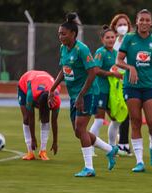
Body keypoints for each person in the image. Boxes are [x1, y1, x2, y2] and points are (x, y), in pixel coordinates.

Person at [48, 12, 118, 177]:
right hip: (75, 95)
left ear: (73, 34)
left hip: (87, 93)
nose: (60, 36)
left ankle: (89, 168)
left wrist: (81, 95)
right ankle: (110, 149)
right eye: (59, 33)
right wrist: (52, 88)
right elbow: (64, 70)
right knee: (79, 132)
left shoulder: (82, 49)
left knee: (81, 128)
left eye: (63, 34)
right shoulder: (63, 48)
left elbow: (93, 72)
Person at [116, 9, 152, 172]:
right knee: (136, 122)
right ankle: (139, 161)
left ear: (151, 23)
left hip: (150, 87)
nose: (145, 23)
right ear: (137, 22)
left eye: (148, 20)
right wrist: (129, 67)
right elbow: (118, 60)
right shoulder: (129, 38)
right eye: (142, 20)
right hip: (131, 86)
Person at [89, 25, 124, 154]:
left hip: (112, 93)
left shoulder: (116, 54)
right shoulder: (100, 52)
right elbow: (96, 70)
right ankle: (90, 148)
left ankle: (112, 147)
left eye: (112, 37)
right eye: (107, 37)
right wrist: (112, 74)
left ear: (115, 38)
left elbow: (118, 70)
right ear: (102, 39)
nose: (110, 39)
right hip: (100, 90)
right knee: (98, 120)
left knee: (116, 120)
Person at [18, 70, 60, 161]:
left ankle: (43, 151)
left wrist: (55, 142)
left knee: (45, 119)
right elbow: (31, 118)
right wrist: (33, 139)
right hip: (25, 83)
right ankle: (30, 152)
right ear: (37, 103)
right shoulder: (31, 96)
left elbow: (54, 121)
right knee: (26, 118)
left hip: (44, 81)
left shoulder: (55, 98)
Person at [109, 13, 133, 156]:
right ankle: (115, 143)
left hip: (127, 79)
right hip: (114, 80)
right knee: (115, 113)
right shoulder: (113, 42)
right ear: (114, 27)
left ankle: (123, 143)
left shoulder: (132, 41)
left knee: (126, 111)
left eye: (125, 24)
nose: (123, 27)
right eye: (120, 24)